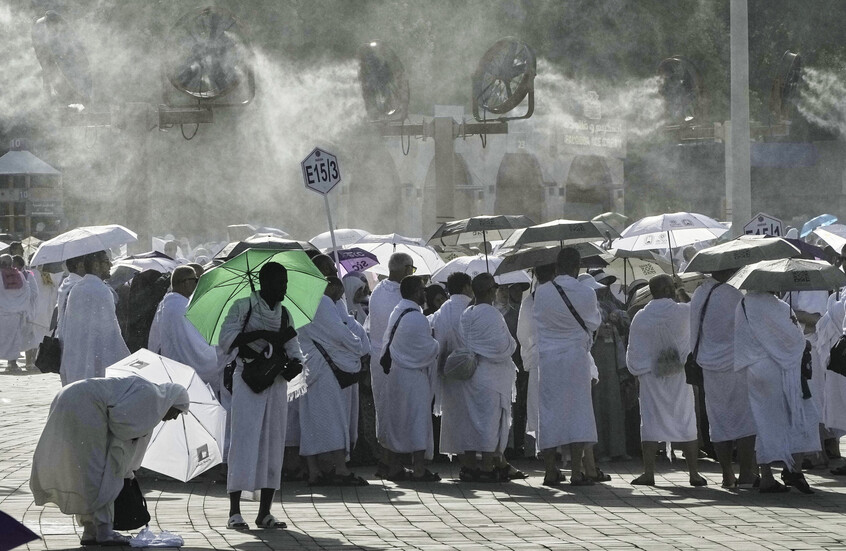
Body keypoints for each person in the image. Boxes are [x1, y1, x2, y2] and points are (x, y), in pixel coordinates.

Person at [30, 377, 188, 545]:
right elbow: (121, 423)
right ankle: (104, 531)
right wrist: (135, 434)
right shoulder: (150, 394)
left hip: (71, 398)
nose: (175, 418)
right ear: (170, 402)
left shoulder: (151, 398)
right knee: (101, 472)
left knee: (86, 471)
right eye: (177, 412)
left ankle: (91, 530)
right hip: (86, 405)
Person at [218, 261, 304, 529]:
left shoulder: (285, 314)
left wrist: (297, 363)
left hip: (276, 384)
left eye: (286, 283)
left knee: (273, 444)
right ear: (264, 283)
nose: (284, 289)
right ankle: (234, 512)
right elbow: (226, 339)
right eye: (280, 283)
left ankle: (264, 513)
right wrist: (261, 334)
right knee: (244, 442)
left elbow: (294, 346)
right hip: (248, 382)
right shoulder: (242, 307)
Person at [735, 290, 821, 493]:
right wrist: (802, 339)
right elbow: (793, 341)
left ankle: (767, 476)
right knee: (801, 415)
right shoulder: (778, 306)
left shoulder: (743, 304)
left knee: (764, 421)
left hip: (754, 369)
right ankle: (794, 468)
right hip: (779, 369)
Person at [627, 274, 706, 487]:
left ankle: (649, 472)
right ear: (669, 290)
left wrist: (638, 372)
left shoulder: (641, 317)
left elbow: (633, 352)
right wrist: (681, 290)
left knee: (650, 422)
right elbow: (697, 312)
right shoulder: (682, 312)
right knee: (686, 419)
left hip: (651, 377)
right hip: (679, 376)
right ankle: (694, 474)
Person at [533, 248, 602, 486]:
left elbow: (538, 321)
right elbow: (593, 323)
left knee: (550, 413)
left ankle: (551, 471)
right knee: (578, 413)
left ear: (555, 267)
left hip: (549, 360)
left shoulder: (541, 293)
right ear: (578, 267)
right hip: (575, 359)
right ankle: (576, 472)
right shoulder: (587, 292)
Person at [689, 269, 758, 488]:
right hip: (735, 364)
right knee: (745, 419)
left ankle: (727, 473)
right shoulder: (733, 295)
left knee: (719, 420)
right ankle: (747, 472)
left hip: (709, 366)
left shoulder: (699, 293)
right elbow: (746, 328)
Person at [298, 277, 369, 485]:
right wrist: (357, 345)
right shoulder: (322, 302)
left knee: (309, 419)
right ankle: (340, 468)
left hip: (307, 368)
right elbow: (339, 334)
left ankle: (314, 470)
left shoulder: (300, 301)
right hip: (324, 369)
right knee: (334, 417)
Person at [458, 273, 525, 481]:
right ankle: (487, 467)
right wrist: (512, 345)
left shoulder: (467, 313)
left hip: (472, 374)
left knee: (471, 421)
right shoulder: (492, 314)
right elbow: (504, 346)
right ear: (490, 291)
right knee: (489, 422)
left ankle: (469, 466)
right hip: (491, 376)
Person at [380, 275, 440, 481]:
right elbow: (427, 349)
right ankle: (420, 468)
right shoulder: (416, 318)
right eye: (423, 290)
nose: (425, 293)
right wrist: (436, 342)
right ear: (416, 292)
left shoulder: (397, 312)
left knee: (398, 421)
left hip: (396, 376)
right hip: (414, 378)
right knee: (418, 420)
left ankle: (395, 466)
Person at [366, 252, 415, 477]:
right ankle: (391, 462)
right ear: (405, 270)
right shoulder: (400, 298)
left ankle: (386, 459)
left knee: (384, 410)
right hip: (393, 360)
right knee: (394, 411)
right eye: (412, 270)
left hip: (379, 359)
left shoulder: (378, 290)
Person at [60, 251, 130, 385]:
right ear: (96, 266)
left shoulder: (76, 289)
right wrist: (125, 358)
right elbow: (111, 333)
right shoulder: (102, 291)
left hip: (76, 359)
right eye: (106, 261)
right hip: (98, 358)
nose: (110, 265)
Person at [148, 266, 220, 390]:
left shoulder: (170, 303)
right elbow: (193, 345)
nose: (198, 284)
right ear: (186, 282)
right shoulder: (180, 307)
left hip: (176, 369)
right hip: (185, 370)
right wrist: (218, 355)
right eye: (196, 280)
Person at [584, 271, 630, 462]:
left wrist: (617, 322)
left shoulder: (612, 305)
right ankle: (600, 449)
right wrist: (598, 332)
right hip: (596, 356)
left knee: (614, 402)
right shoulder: (586, 307)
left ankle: (617, 448)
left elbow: (626, 326)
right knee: (598, 402)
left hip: (611, 357)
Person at [433, 272, 474, 472]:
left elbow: (438, 345)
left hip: (450, 371)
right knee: (476, 416)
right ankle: (481, 462)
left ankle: (465, 463)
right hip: (476, 369)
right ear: (467, 287)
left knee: (456, 418)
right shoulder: (476, 308)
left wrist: (441, 370)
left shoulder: (443, 311)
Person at [0, 254, 31, 371]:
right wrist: (20, 305)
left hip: (2, 312)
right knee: (14, 339)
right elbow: (27, 291)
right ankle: (12, 364)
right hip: (15, 313)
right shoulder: (19, 275)